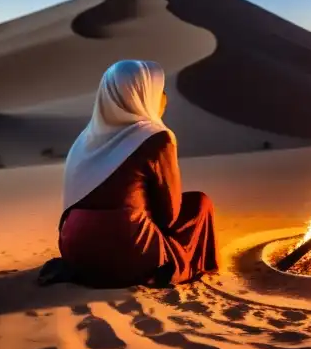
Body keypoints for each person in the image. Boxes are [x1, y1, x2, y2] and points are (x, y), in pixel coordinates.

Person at [44, 59, 218, 288]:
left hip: (75, 251)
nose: (164, 97)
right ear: (141, 95)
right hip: (126, 252)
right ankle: (191, 265)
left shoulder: (84, 140)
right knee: (200, 204)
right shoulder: (157, 139)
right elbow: (169, 217)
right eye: (158, 91)